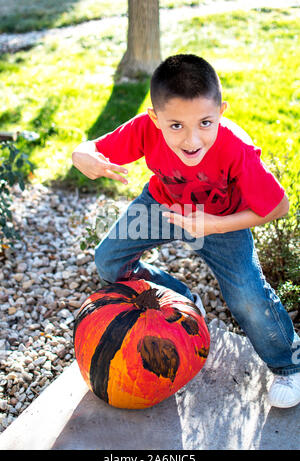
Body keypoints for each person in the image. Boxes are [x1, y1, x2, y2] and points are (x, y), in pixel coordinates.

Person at [72, 54, 300, 408]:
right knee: (108, 262)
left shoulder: (236, 149)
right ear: (155, 118)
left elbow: (279, 206)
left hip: (222, 220)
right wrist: (81, 155)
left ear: (221, 111)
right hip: (162, 205)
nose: (192, 139)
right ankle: (181, 297)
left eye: (205, 122)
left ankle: (289, 365)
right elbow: (90, 148)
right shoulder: (143, 129)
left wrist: (214, 224)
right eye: (175, 125)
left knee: (246, 297)